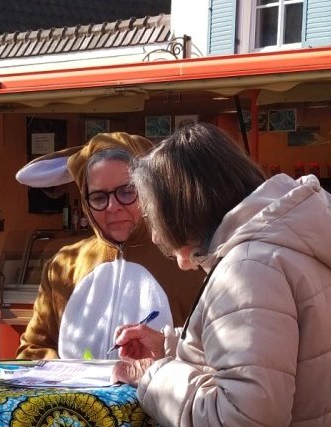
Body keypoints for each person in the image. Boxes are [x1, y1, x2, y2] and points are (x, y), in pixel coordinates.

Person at [112, 123, 331, 427]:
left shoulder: (249, 267)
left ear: (181, 211)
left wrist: (154, 375)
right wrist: (169, 345)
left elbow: (244, 420)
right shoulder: (285, 243)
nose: (158, 235)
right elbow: (271, 359)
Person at [14, 132, 202, 360]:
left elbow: (212, 353)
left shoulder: (188, 261)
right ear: (86, 202)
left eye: (127, 191)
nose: (113, 207)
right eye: (99, 197)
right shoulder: (64, 264)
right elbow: (32, 349)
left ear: (149, 191)